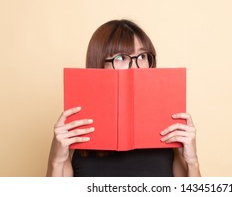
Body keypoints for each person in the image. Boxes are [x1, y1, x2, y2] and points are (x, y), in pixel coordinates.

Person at [46, 19, 201, 177]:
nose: (134, 67)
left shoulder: (169, 127)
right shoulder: (75, 130)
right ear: (99, 65)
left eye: (142, 56)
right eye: (120, 58)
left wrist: (192, 161)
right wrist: (56, 160)